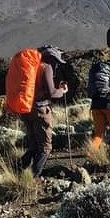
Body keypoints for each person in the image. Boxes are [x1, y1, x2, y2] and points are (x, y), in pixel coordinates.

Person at [19, 46, 68, 176]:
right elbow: (52, 93)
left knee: (34, 145)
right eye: (56, 61)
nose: (57, 65)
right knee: (45, 147)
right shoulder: (46, 67)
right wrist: (62, 91)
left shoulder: (33, 67)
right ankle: (34, 177)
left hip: (26, 108)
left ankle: (19, 170)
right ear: (52, 59)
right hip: (40, 110)